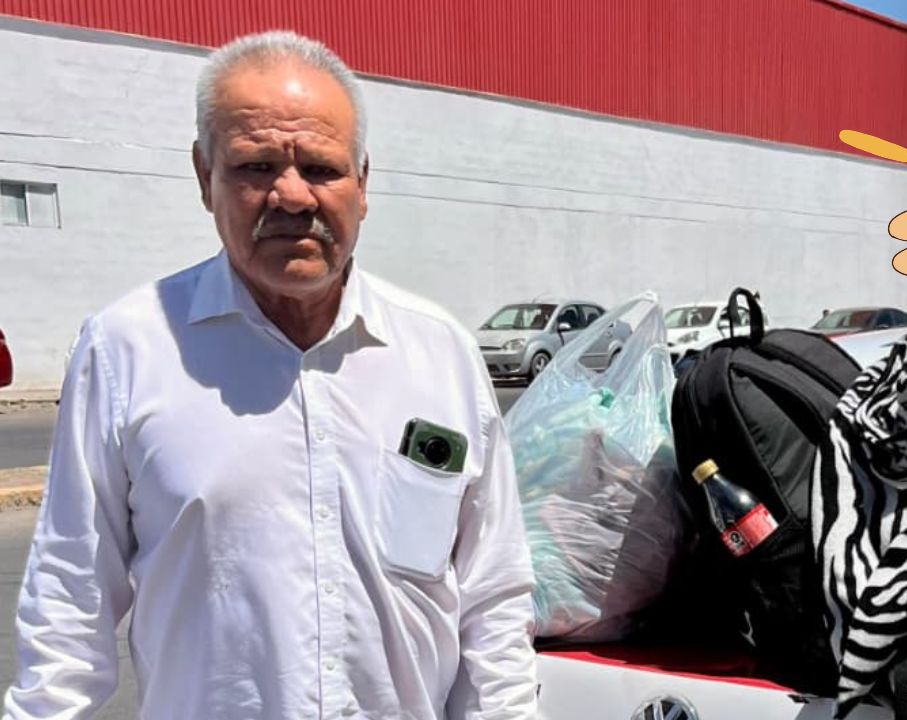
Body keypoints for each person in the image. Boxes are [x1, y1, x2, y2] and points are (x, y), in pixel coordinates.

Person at [3, 31, 537, 719]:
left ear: (363, 184)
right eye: (256, 166)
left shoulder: (441, 356)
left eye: (320, 168)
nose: (291, 196)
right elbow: (68, 603)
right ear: (205, 177)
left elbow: (493, 597)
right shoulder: (127, 349)